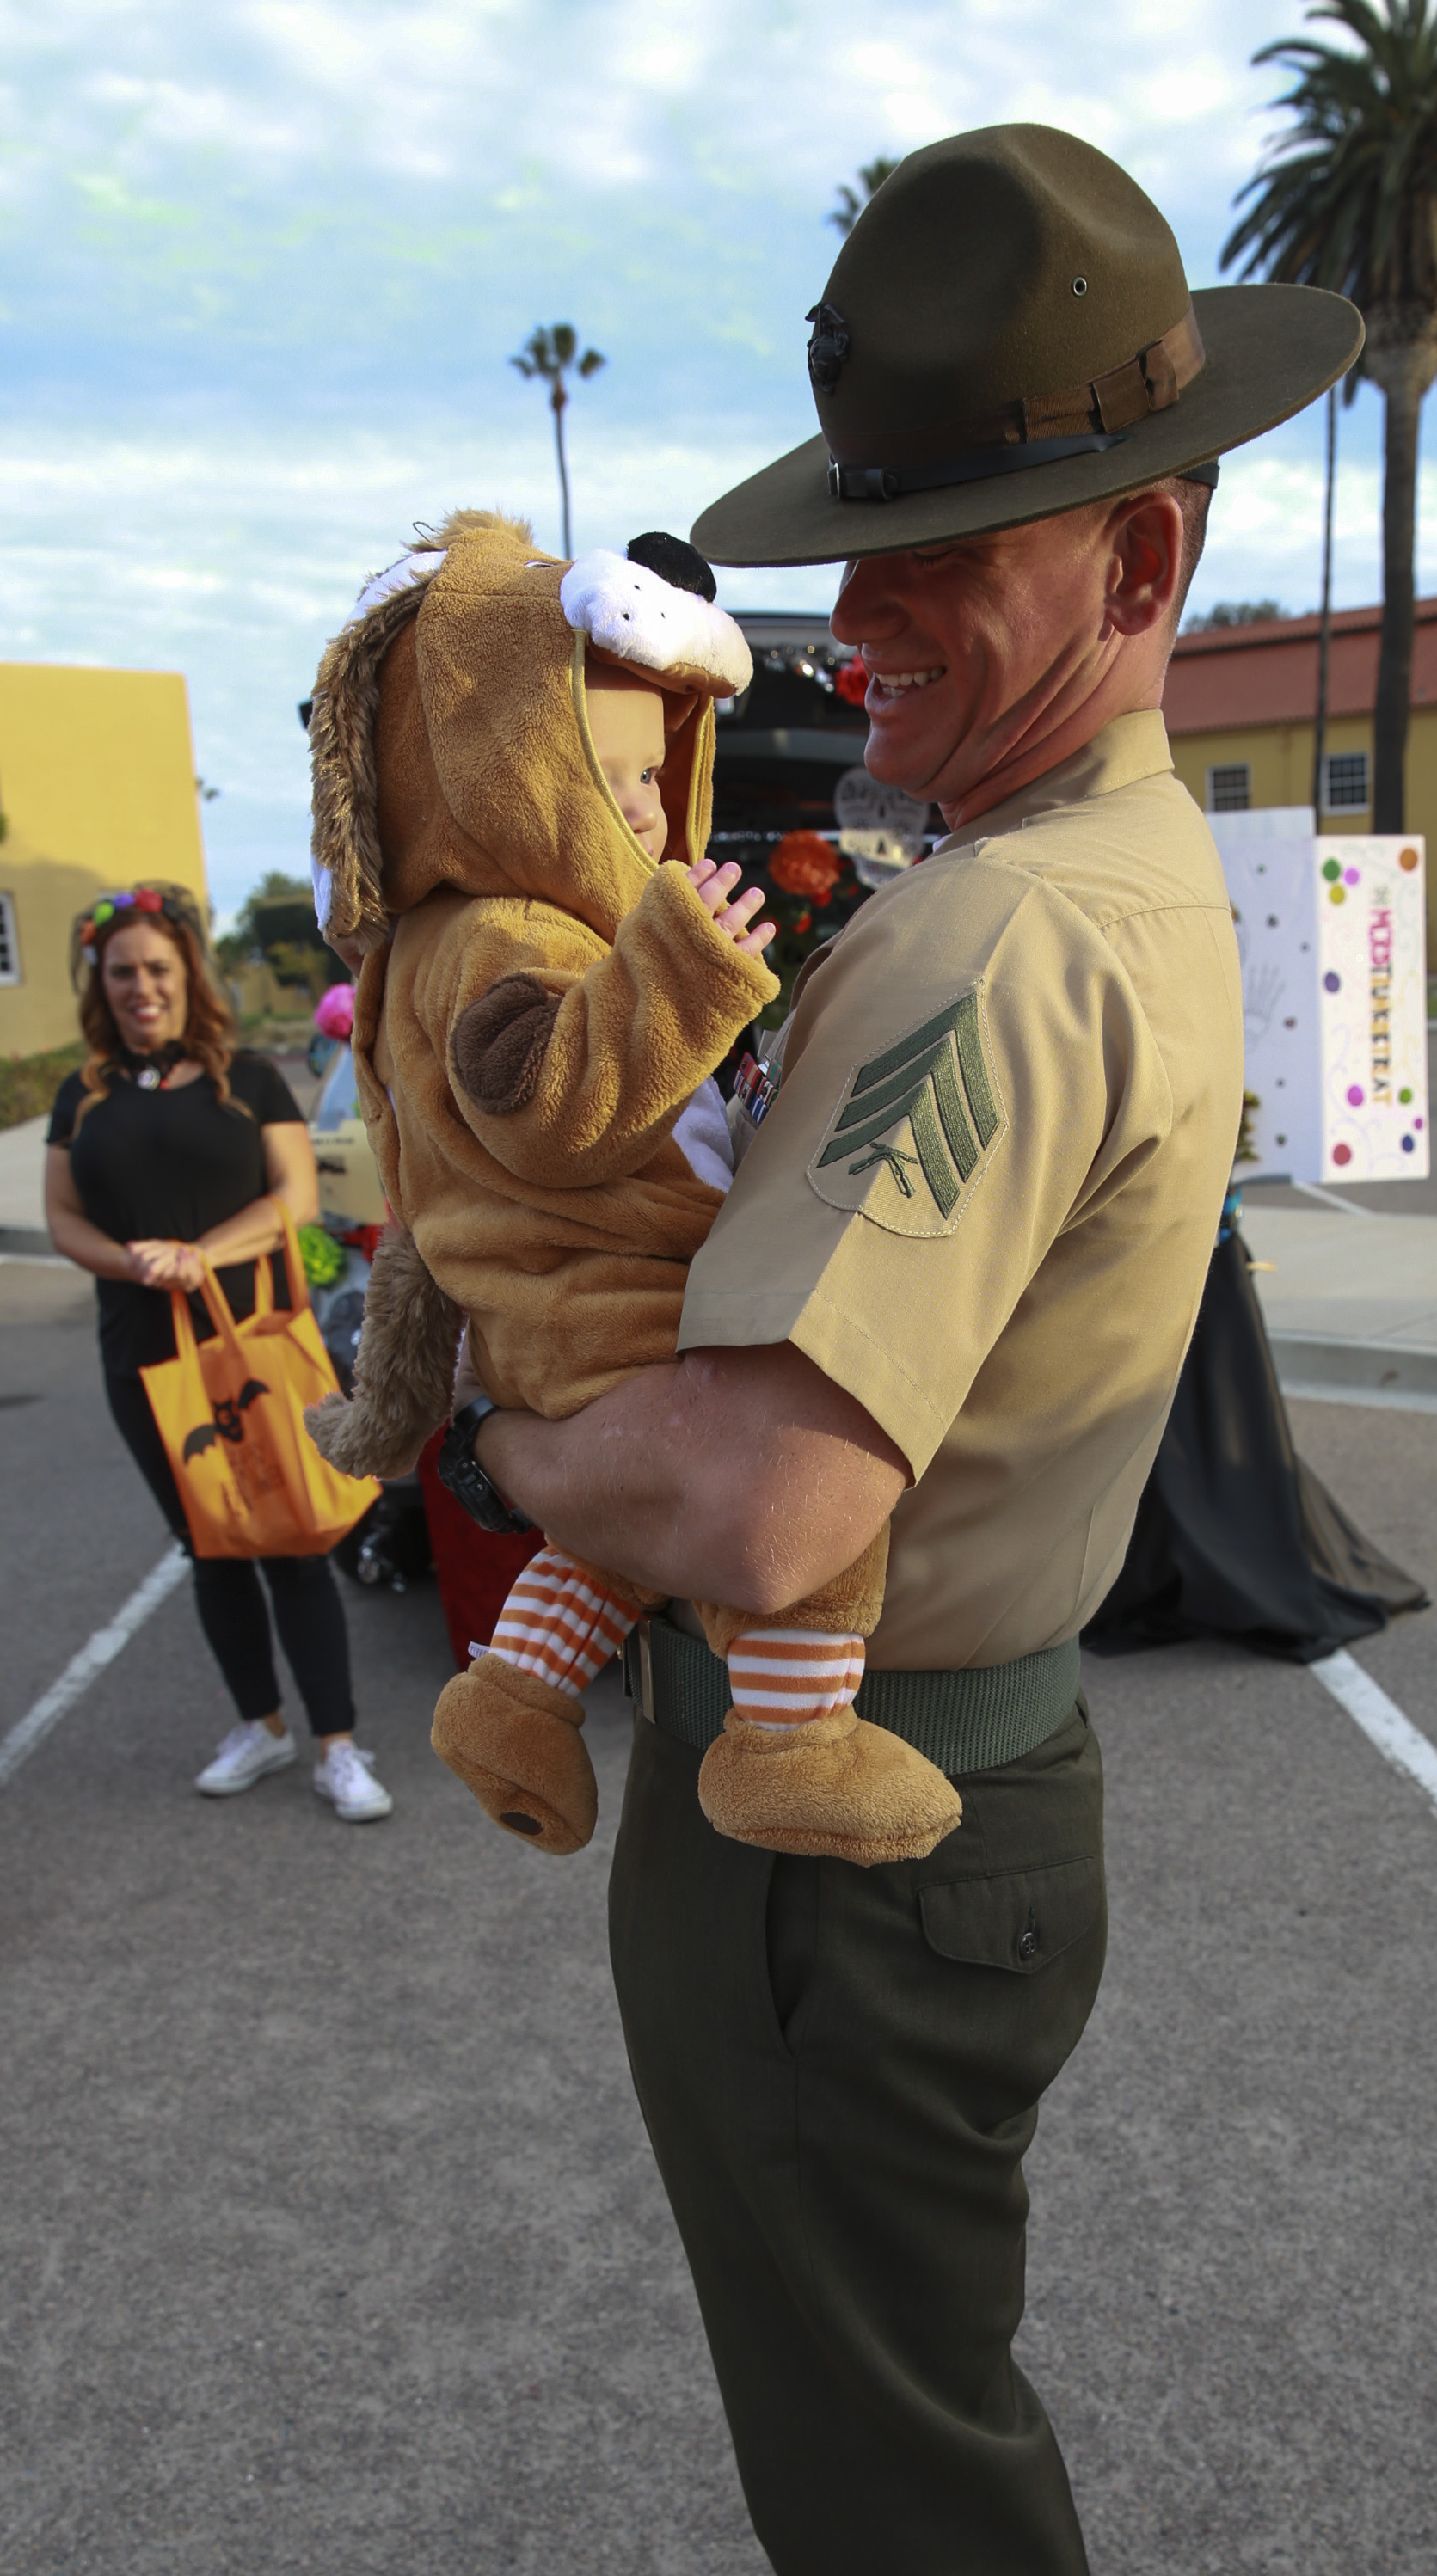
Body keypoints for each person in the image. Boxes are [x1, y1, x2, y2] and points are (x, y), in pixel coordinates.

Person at [453, 126, 1361, 2576]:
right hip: (924, 1780)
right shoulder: (1102, 870)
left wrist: (480, 1408)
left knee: (888, 2403)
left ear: (1147, 542)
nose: (886, 624)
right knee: (848, 2351)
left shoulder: (995, 947)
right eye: (883, 550)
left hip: (861, 1811)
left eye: (965, 560)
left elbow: (744, 1484)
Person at [304, 522, 955, 1867]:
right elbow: (546, 1101)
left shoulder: (443, 938)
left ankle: (514, 1697)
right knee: (801, 1513)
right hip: (619, 1297)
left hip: (551, 1320)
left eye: (655, 766)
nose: (648, 804)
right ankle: (790, 1742)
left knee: (607, 1543)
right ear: (490, 773)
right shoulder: (507, 932)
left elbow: (439, 1196)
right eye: (602, 773)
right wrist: (682, 969)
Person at [43, 884, 392, 1820]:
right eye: (122, 973)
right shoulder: (82, 1092)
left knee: (293, 1541)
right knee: (209, 1546)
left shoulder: (250, 1077)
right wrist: (129, 1260)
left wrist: (199, 1256)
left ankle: (338, 1747)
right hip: (145, 1359)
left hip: (255, 1344)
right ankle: (262, 1727)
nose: (140, 988)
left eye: (157, 968)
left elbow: (294, 1201)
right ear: (101, 982)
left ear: (187, 973)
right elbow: (60, 1217)